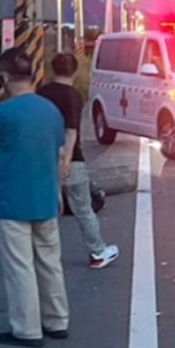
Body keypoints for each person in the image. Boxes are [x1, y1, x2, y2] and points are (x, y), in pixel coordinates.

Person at [0, 49, 69, 348]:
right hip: (46, 198)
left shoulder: (2, 112)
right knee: (50, 263)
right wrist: (58, 192)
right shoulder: (51, 111)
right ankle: (57, 320)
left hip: (12, 200)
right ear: (33, 74)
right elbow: (59, 154)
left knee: (20, 266)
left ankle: (27, 329)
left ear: (4, 77)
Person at [38, 53, 120, 269]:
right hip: (71, 159)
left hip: (43, 158)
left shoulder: (41, 93)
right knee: (83, 208)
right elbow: (71, 130)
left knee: (49, 210)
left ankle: (46, 256)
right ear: (74, 71)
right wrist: (66, 158)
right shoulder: (73, 96)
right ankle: (98, 252)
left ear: (52, 69)